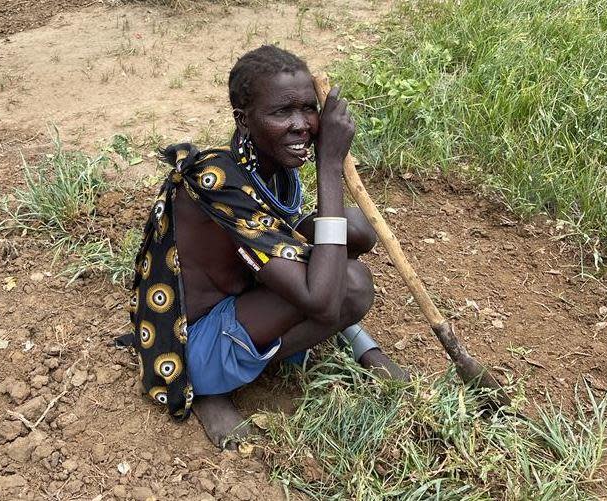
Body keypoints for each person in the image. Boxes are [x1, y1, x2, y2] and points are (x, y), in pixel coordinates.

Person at [124, 45, 407, 448]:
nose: (301, 125)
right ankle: (210, 387)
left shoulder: (271, 167)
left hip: (246, 295)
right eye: (281, 113)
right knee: (352, 283)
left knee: (355, 228)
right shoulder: (217, 181)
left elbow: (296, 237)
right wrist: (329, 166)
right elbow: (321, 300)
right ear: (243, 120)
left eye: (309, 109)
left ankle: (333, 341)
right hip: (194, 344)